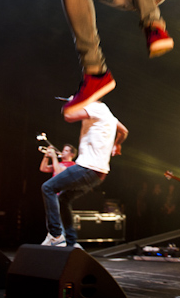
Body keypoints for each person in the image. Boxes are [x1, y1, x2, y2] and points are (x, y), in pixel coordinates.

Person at [41, 100, 128, 247]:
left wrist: (71, 103)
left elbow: (69, 116)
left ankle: (55, 235)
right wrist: (117, 143)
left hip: (86, 168)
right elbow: (124, 131)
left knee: (47, 188)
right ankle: (71, 241)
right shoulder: (108, 113)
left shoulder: (94, 107)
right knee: (64, 199)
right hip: (99, 174)